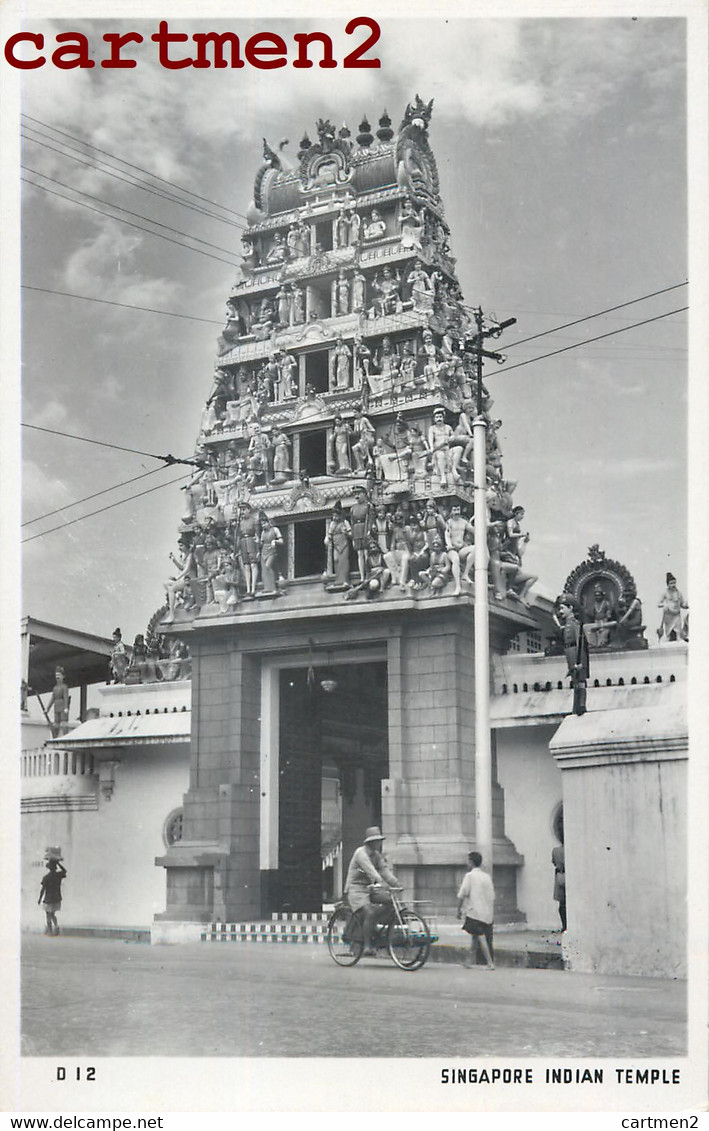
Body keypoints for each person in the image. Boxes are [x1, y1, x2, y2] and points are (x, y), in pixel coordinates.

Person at [344, 826, 401, 954]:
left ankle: (374, 929)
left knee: (391, 901)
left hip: (368, 889)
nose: (379, 843)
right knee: (369, 912)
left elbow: (384, 871)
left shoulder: (376, 856)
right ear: (370, 842)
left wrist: (396, 883)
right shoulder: (361, 854)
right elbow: (371, 870)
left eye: (380, 840)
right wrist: (382, 883)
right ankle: (367, 946)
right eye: (377, 841)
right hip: (355, 889)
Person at [456, 851, 495, 969]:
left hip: (475, 912)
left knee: (479, 935)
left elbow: (462, 894)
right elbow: (491, 895)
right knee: (475, 936)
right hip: (486, 911)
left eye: (468, 861)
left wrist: (458, 909)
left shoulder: (469, 876)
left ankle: (490, 962)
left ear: (471, 862)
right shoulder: (486, 876)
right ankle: (468, 961)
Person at [38, 856, 67, 936]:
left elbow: (43, 889)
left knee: (48, 915)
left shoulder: (46, 877)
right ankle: (56, 928)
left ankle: (50, 930)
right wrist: (58, 863)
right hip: (56, 897)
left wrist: (40, 899)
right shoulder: (58, 875)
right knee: (52, 914)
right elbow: (65, 871)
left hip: (48, 898)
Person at [551, 841, 566, 932]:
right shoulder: (569, 850)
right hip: (569, 876)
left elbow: (554, 862)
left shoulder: (556, 851)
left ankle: (564, 925)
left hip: (560, 876)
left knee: (562, 904)